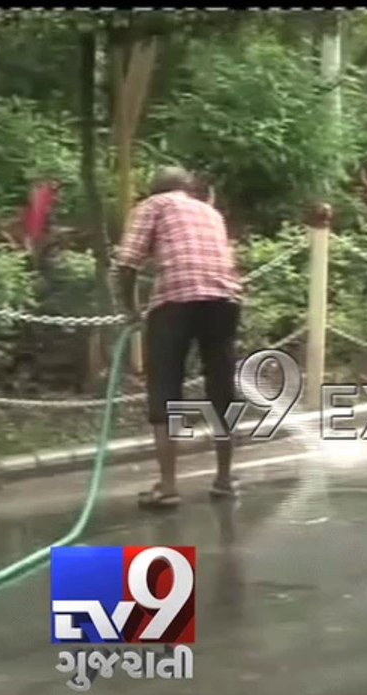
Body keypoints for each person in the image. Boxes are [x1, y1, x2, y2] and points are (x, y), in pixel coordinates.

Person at [116, 166, 243, 509]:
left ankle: (168, 486)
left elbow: (127, 265)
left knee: (167, 388)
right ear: (188, 189)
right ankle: (224, 480)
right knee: (220, 388)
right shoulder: (210, 213)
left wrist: (131, 310)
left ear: (156, 188)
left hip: (175, 303)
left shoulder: (152, 206)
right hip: (224, 301)